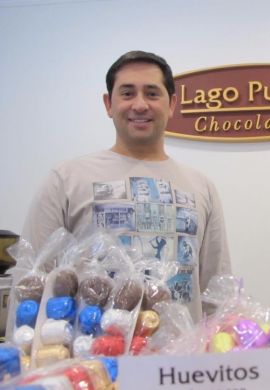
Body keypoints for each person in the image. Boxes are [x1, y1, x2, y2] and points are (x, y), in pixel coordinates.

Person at [21, 51, 231, 322]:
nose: (140, 105)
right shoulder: (66, 179)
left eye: (152, 94)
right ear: (109, 104)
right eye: (127, 93)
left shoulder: (201, 186)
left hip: (180, 360)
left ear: (171, 104)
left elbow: (217, 291)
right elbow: (31, 283)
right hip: (93, 359)